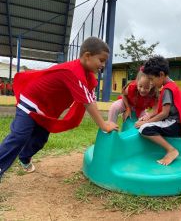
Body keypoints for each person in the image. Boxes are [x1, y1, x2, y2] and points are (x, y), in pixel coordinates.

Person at [0, 37, 118, 181]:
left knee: (40, 139)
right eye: (101, 60)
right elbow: (88, 103)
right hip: (29, 102)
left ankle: (25, 157)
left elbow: (90, 98)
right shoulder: (74, 71)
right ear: (87, 56)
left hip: (45, 111)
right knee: (19, 136)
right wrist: (104, 125)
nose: (103, 64)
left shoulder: (87, 77)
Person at [135, 56, 181, 166]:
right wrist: (148, 117)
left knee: (144, 129)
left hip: (175, 125)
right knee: (147, 125)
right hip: (175, 123)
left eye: (152, 79)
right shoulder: (171, 84)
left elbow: (164, 114)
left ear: (161, 74)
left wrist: (145, 122)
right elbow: (160, 111)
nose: (151, 83)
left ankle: (171, 150)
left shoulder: (167, 89)